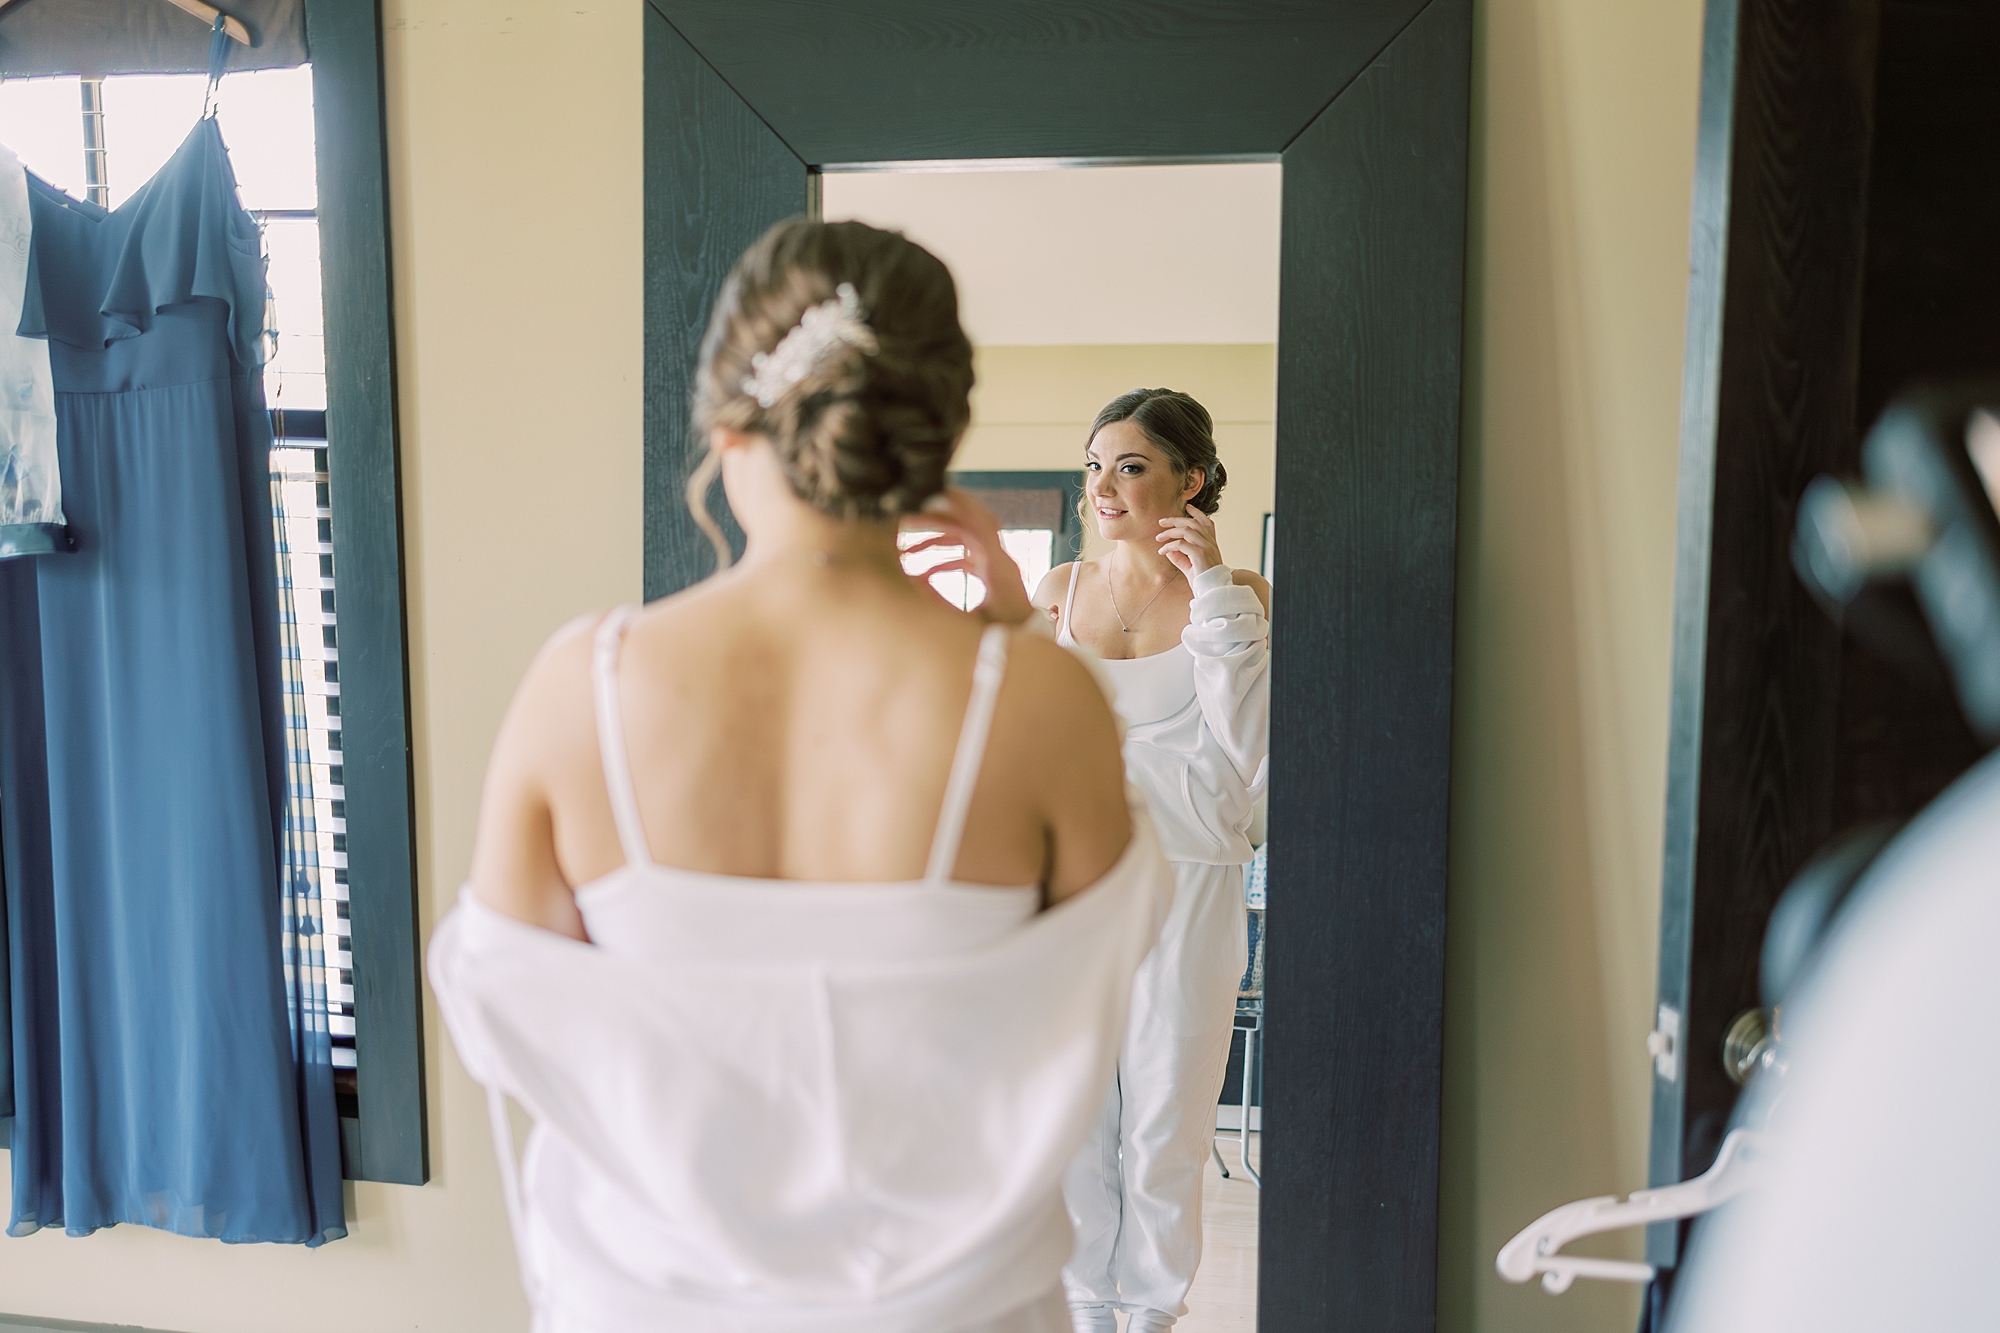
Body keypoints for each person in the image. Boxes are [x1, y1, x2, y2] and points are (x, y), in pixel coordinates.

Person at [426, 219, 1174, 1333]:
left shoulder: (576, 689)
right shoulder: (1035, 703)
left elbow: (502, 1020)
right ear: (934, 437)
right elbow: (1117, 964)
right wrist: (1018, 626)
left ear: (726, 421)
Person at [1033, 389, 1273, 1333]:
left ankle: (1152, 1318)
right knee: (1079, 1122)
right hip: (1071, 893)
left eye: (1130, 465)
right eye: (1094, 464)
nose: (1103, 486)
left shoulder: (1243, 594)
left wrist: (1212, 588)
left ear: (1193, 480)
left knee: (1167, 1128)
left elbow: (1254, 748)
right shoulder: (1057, 591)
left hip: (1195, 882)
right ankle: (1091, 1313)